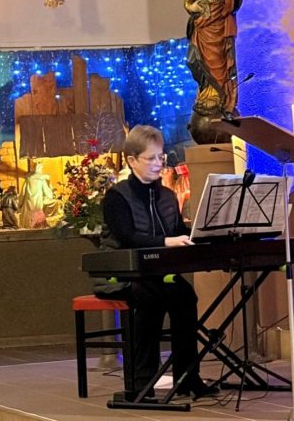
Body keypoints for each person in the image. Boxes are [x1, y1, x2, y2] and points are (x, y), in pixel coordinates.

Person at [94, 125, 218, 401]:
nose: (158, 164)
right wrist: (167, 242)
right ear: (131, 160)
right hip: (121, 274)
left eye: (160, 157)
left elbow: (177, 232)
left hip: (157, 273)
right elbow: (127, 237)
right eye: (150, 158)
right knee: (150, 297)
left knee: (185, 295)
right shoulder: (117, 196)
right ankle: (142, 382)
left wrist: (202, 235)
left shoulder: (166, 195)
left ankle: (188, 377)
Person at [183, 0, 242, 144]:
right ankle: (206, 94)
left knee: (218, 66)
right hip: (202, 24)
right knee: (193, 60)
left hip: (218, 25)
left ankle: (220, 100)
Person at [18, 163, 60, 228]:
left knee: (28, 216)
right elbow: (47, 192)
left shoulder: (28, 179)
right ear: (40, 169)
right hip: (37, 201)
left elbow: (23, 193)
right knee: (37, 214)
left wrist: (20, 203)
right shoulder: (41, 179)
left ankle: (28, 226)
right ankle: (36, 226)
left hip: (28, 202)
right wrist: (51, 194)